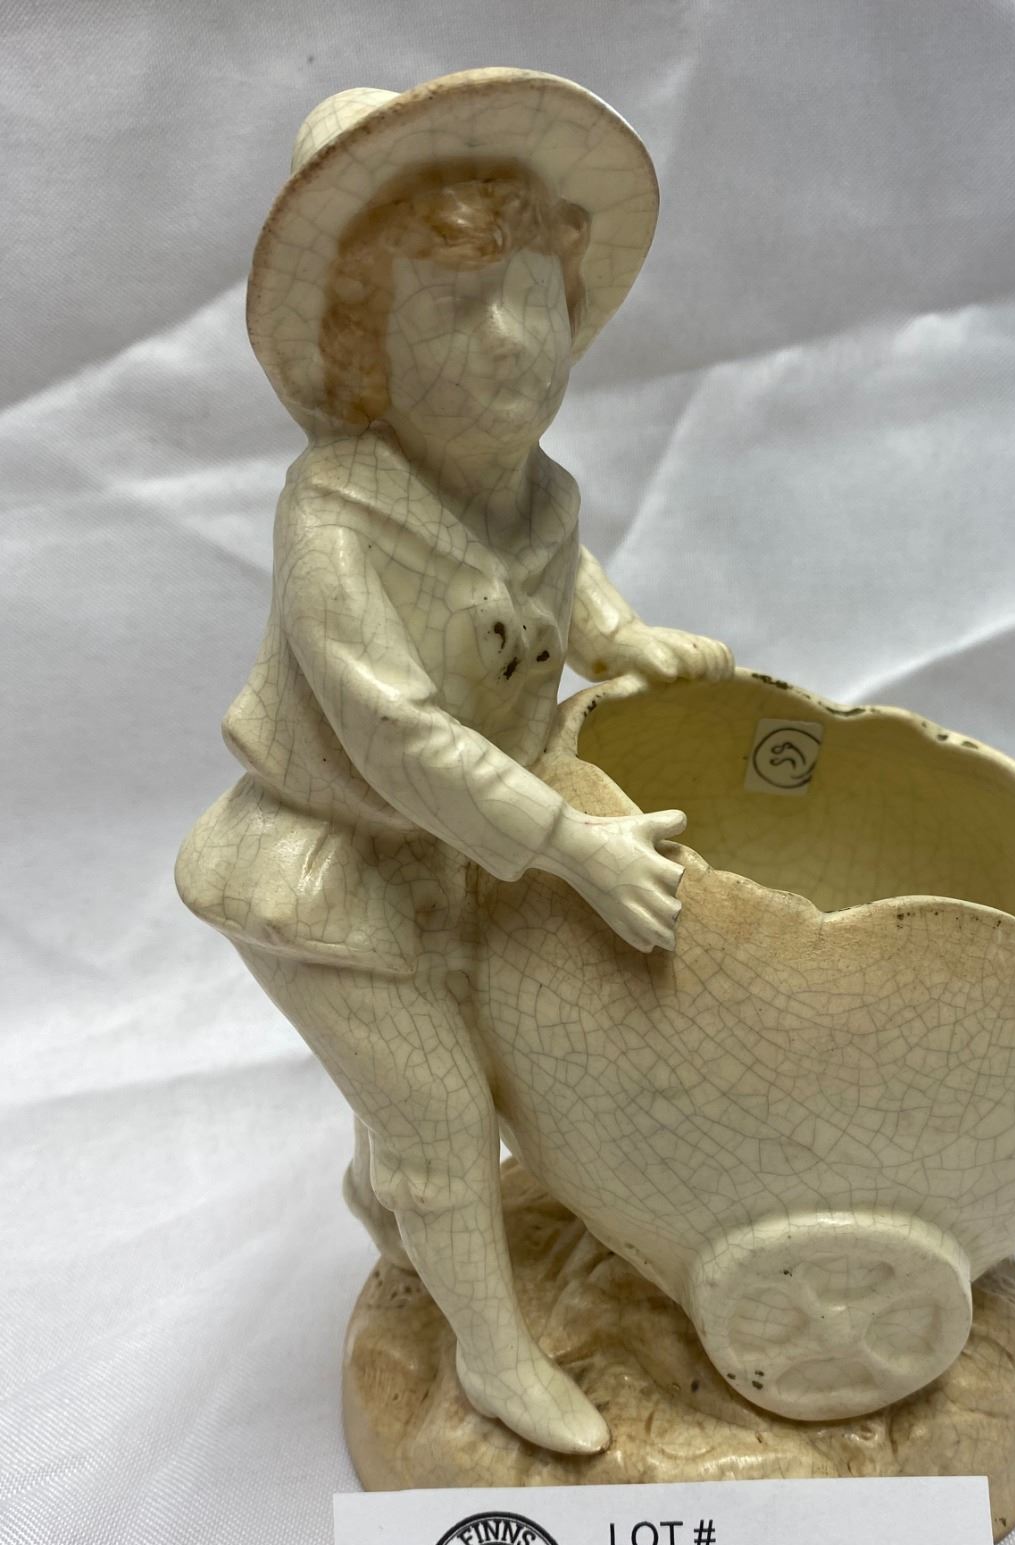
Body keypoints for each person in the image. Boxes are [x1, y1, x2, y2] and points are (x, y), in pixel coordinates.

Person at [176, 71, 733, 1454]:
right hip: (334, 868)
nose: (512, 344)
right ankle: (489, 1355)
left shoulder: (535, 490)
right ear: (364, 353)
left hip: (461, 854)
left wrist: (620, 638)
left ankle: (402, 1212)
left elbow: (557, 575)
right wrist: (571, 845)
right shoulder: (335, 517)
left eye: (534, 298)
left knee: (488, 1068)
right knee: (441, 1107)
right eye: (453, 310)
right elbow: (402, 738)